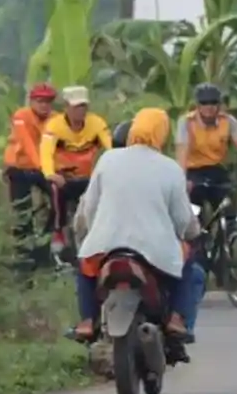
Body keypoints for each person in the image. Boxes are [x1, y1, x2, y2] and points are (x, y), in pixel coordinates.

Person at [71, 108, 200, 353]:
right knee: (189, 260)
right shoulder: (171, 168)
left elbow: (89, 208)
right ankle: (176, 319)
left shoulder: (108, 159)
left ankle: (87, 321)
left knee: (85, 263)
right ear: (162, 133)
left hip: (106, 245)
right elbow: (183, 220)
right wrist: (188, 233)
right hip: (156, 251)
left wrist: (93, 231)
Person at [175, 82, 237, 217]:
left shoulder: (228, 121)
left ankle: (230, 227)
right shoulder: (186, 122)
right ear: (197, 105)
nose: (209, 107)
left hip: (216, 169)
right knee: (193, 212)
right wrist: (182, 180)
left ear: (219, 105)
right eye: (204, 103)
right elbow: (182, 152)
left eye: (213, 102)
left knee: (229, 208)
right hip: (193, 171)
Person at [40, 86, 113, 257]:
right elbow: (46, 152)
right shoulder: (54, 126)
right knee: (55, 189)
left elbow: (110, 146)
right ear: (66, 107)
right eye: (76, 107)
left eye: (83, 106)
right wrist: (50, 173)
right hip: (64, 177)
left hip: (88, 177)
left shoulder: (97, 123)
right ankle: (58, 231)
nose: (80, 111)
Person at [3, 82, 58, 270]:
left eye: (48, 102)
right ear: (32, 101)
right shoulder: (21, 116)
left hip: (43, 168)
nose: (44, 105)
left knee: (59, 201)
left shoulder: (56, 119)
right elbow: (27, 143)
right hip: (19, 167)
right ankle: (23, 256)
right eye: (39, 101)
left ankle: (45, 246)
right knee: (21, 211)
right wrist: (44, 167)